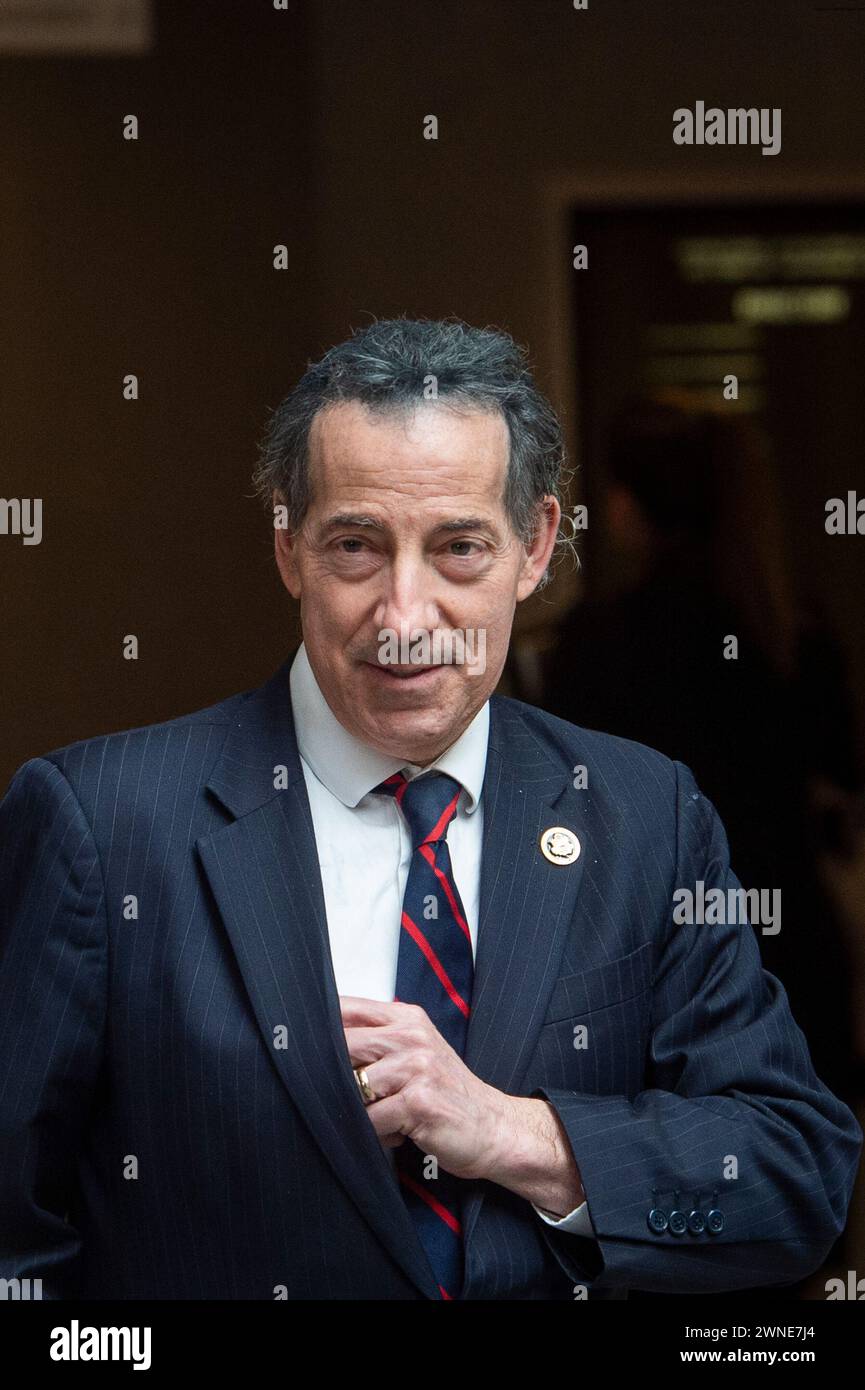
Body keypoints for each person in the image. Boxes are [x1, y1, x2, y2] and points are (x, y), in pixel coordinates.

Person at [0, 319, 860, 1301]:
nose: (405, 618)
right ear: (288, 547)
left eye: (458, 548)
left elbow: (792, 1177)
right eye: (356, 546)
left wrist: (516, 1132)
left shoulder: (643, 815)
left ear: (535, 547)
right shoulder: (99, 824)